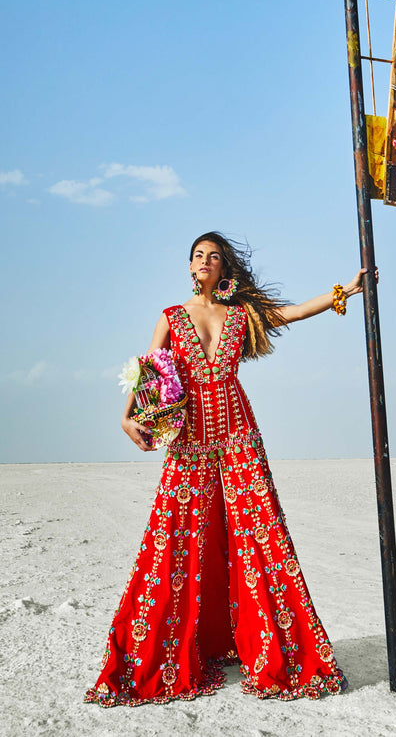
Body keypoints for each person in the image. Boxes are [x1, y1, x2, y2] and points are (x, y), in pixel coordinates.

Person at [85, 232, 376, 705]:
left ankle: (272, 647)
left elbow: (292, 313)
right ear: (190, 266)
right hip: (189, 440)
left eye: (213, 257)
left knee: (260, 535)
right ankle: (174, 649)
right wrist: (127, 416)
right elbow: (149, 372)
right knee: (177, 539)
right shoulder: (170, 317)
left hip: (239, 435)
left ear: (225, 269)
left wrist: (345, 289)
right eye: (198, 256)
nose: (205, 262)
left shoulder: (241, 314)